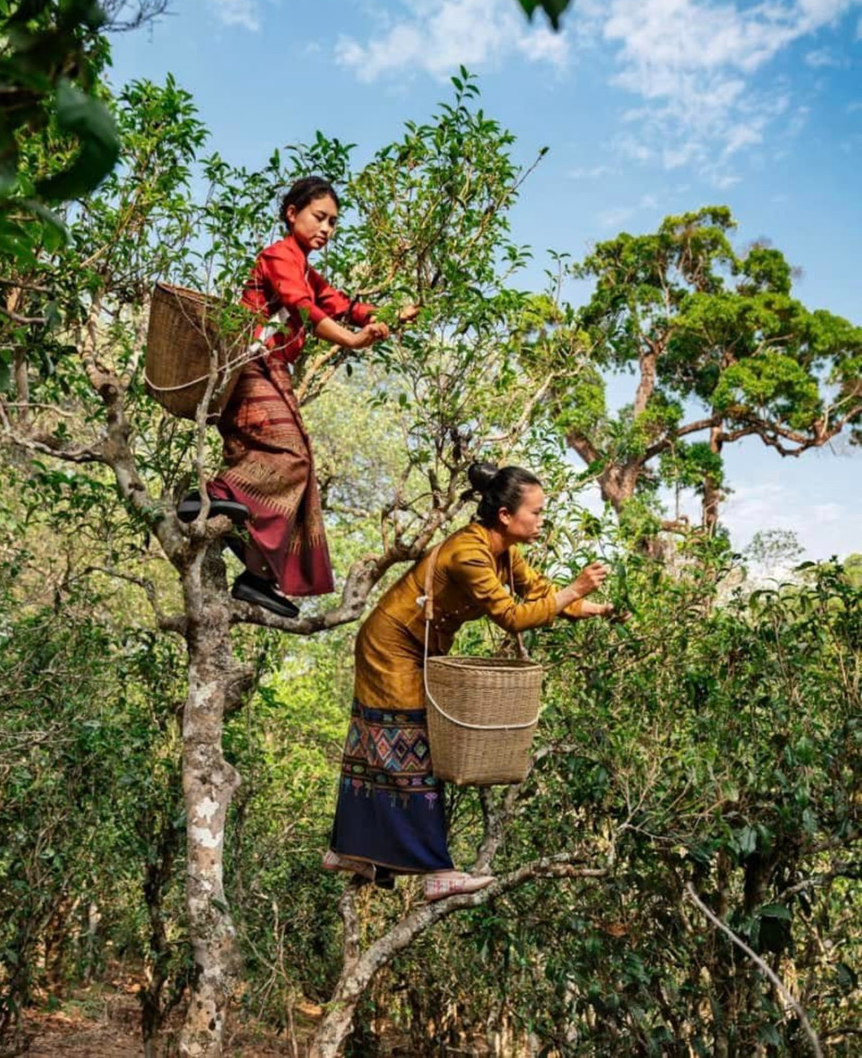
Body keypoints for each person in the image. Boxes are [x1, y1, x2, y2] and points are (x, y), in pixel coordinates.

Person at [324, 462, 622, 902]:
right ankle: (434, 872)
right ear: (505, 515)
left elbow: (540, 594)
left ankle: (349, 852)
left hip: (422, 648)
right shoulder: (469, 553)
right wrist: (575, 591)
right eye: (536, 513)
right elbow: (514, 618)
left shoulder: (503, 552)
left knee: (381, 742)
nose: (541, 521)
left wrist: (592, 608)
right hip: (391, 645)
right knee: (410, 746)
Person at [178, 176, 389, 618]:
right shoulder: (278, 256)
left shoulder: (307, 269)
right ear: (292, 214)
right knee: (291, 456)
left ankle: (257, 576)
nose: (327, 228)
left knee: (299, 470)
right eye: (319, 217)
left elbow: (340, 303)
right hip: (246, 364)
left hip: (272, 369)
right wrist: (351, 341)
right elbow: (306, 308)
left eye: (333, 221)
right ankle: (207, 494)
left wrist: (384, 319)